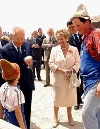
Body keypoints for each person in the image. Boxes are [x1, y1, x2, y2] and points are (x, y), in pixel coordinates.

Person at [0, 27, 37, 129]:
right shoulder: (5, 50)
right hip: (13, 86)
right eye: (18, 39)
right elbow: (3, 70)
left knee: (27, 110)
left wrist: (31, 63)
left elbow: (35, 61)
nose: (21, 41)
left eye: (22, 38)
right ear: (11, 37)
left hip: (27, 85)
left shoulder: (27, 45)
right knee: (16, 113)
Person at [71, 4, 100, 129]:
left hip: (96, 80)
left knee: (87, 113)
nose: (76, 29)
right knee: (96, 114)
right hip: (89, 81)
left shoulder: (96, 34)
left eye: (78, 25)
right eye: (74, 26)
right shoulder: (85, 37)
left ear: (87, 21)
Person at [49, 29, 80, 128]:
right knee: (57, 99)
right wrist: (62, 70)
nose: (60, 41)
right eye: (58, 39)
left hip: (70, 79)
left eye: (62, 39)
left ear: (66, 38)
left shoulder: (74, 49)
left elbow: (78, 63)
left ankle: (69, 116)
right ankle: (55, 116)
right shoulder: (54, 50)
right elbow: (51, 63)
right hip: (58, 79)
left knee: (69, 99)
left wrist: (72, 70)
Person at [0, 59, 27, 129]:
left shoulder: (2, 86)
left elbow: (0, 102)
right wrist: (22, 127)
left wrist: (1, 114)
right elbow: (18, 112)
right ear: (18, 75)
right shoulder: (17, 92)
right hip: (14, 118)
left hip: (5, 114)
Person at [67, 20, 84, 110]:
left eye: (72, 27)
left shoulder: (82, 35)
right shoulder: (68, 39)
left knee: (83, 81)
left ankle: (80, 97)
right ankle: (76, 101)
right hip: (74, 64)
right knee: (75, 82)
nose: (71, 29)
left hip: (84, 62)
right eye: (69, 28)